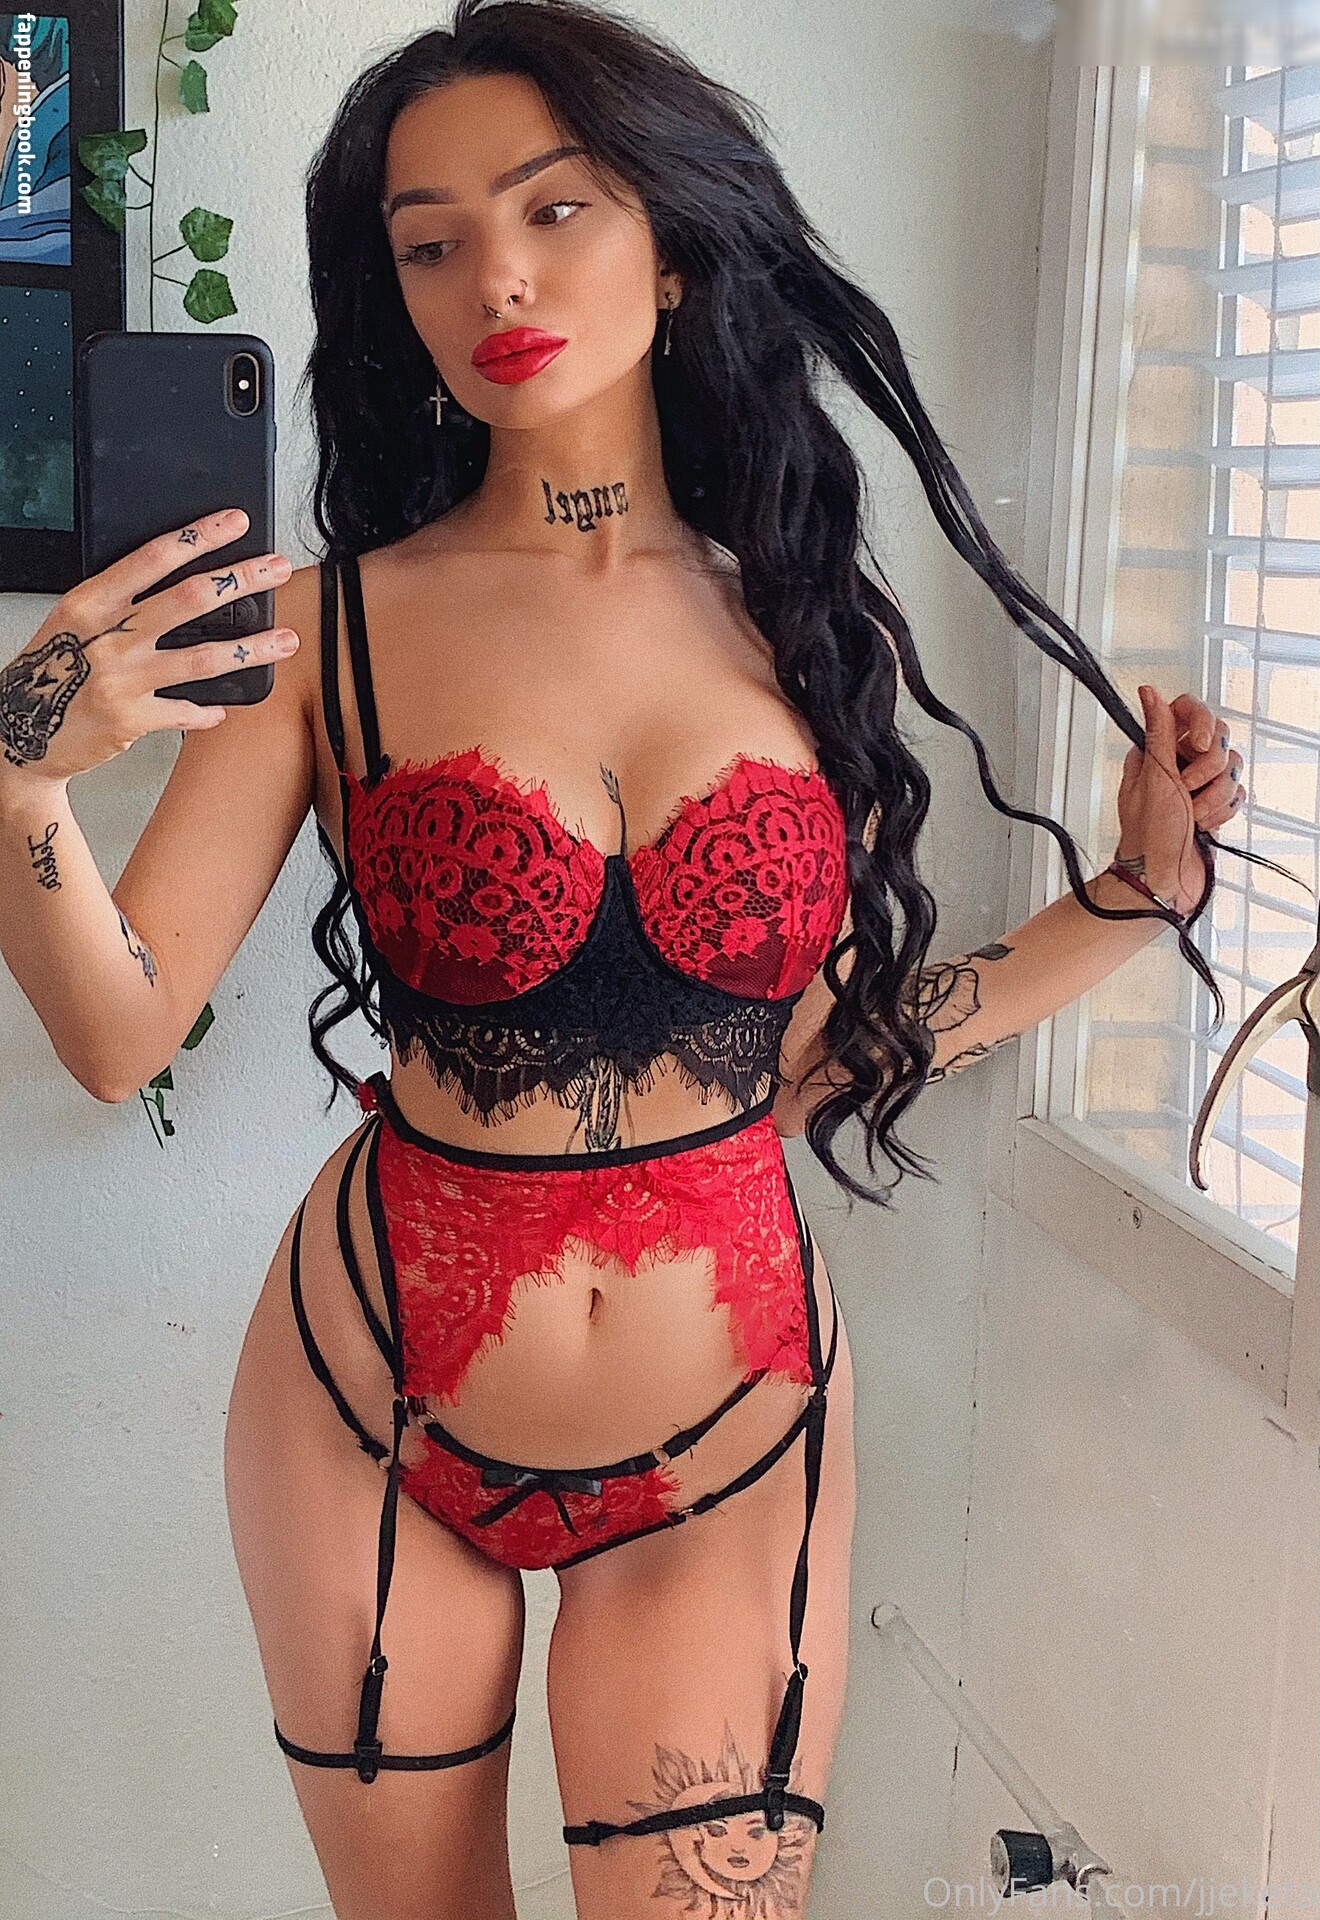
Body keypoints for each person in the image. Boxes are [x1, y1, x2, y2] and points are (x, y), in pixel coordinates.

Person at [0, 3, 1251, 1915]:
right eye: (430, 243)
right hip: (368, 1405)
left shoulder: (806, 623)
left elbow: (818, 1055)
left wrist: (1133, 901)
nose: (494, 279)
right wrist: (21, 769)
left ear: (671, 248)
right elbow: (118, 1033)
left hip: (731, 1442)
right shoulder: (326, 634)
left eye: (554, 208)